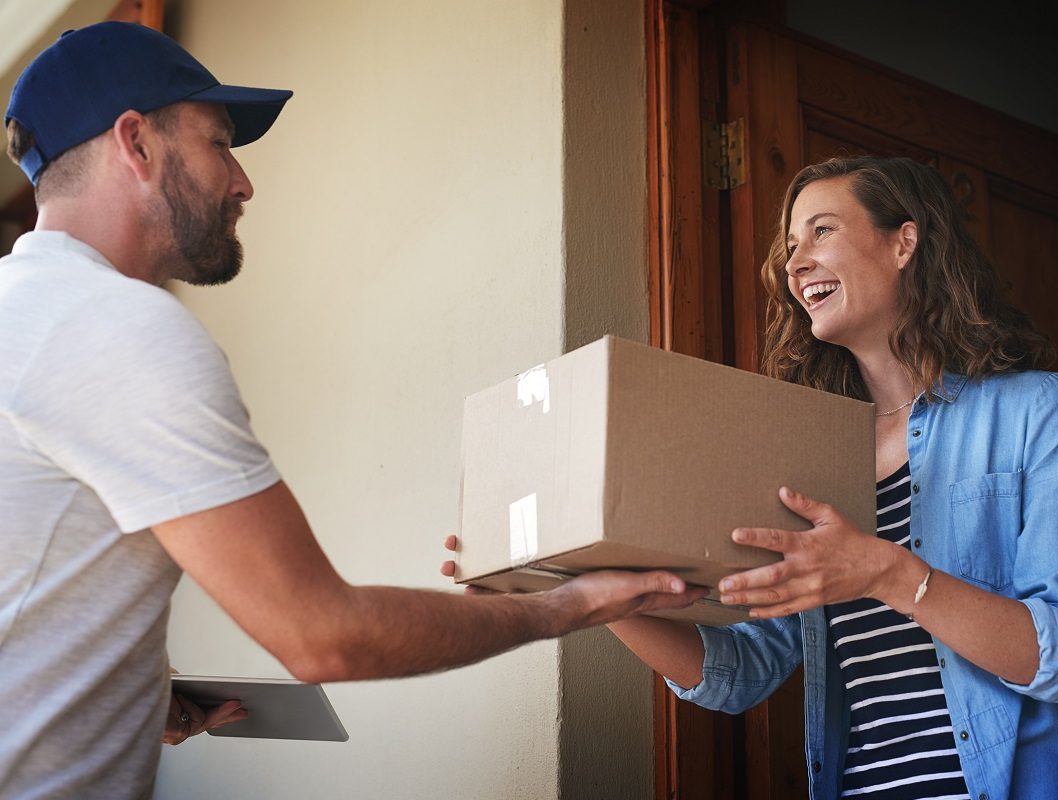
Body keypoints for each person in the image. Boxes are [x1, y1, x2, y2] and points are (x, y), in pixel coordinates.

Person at [0, 21, 702, 800]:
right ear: (137, 143)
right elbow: (323, 635)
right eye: (219, 142)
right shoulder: (117, 328)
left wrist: (120, 696)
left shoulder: (22, 318)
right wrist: (569, 606)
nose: (243, 182)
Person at [604, 156, 1058, 799]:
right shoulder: (803, 455)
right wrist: (595, 592)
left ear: (904, 242)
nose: (795, 264)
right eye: (791, 246)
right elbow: (745, 669)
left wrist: (885, 572)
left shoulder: (1034, 409)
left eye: (822, 231)